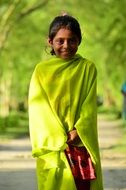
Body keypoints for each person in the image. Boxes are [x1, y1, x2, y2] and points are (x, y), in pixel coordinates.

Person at [28, 14, 103, 190]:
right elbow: (39, 108)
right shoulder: (41, 71)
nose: (66, 46)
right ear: (50, 41)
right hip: (53, 145)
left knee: (81, 186)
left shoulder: (87, 68)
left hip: (79, 143)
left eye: (72, 40)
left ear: (79, 41)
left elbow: (89, 105)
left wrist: (79, 130)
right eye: (60, 41)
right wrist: (57, 136)